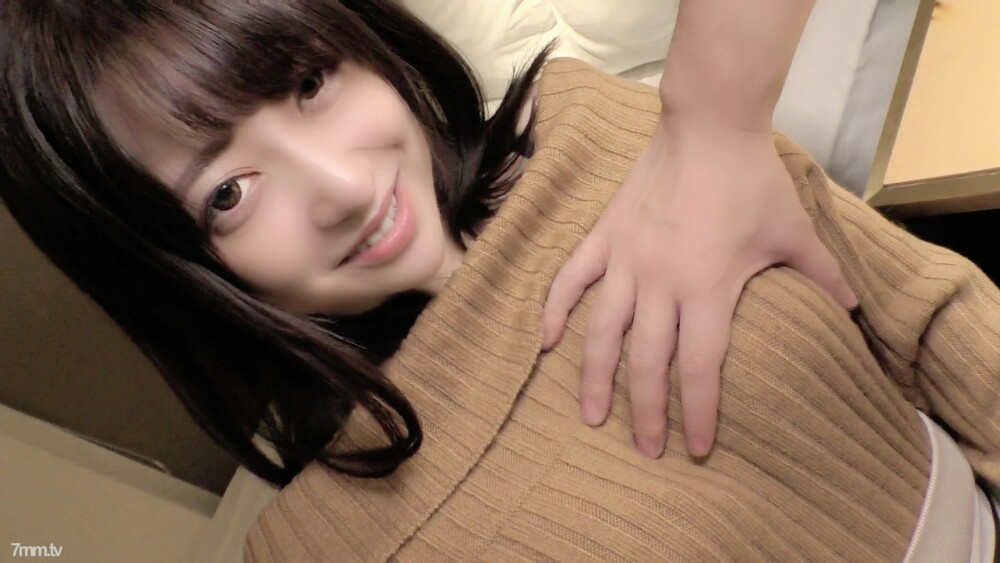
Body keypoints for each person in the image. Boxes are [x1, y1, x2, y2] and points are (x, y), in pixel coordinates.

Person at [2, 1, 999, 560]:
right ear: (173, 272)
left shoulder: (589, 127)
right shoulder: (316, 546)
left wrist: (711, 117)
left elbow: (931, 316)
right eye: (228, 193)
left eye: (309, 81)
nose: (343, 187)